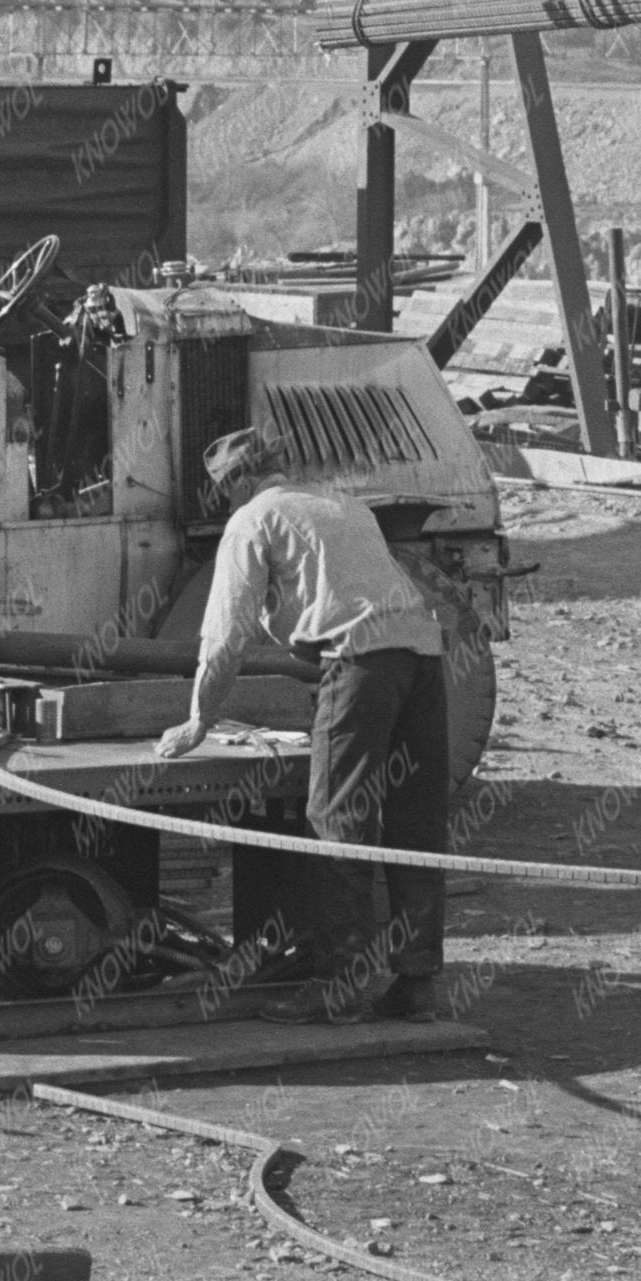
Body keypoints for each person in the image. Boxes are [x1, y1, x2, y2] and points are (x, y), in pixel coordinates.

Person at [150, 421, 450, 1021]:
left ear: (234, 484)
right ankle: (417, 985)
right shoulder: (342, 504)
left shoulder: (252, 520)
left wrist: (198, 722)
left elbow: (224, 639)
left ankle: (339, 986)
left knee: (336, 817)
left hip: (360, 660)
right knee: (414, 821)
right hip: (425, 657)